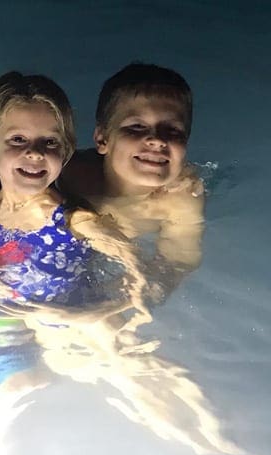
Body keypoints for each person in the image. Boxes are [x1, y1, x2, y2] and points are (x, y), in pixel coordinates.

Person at [0, 71, 150, 390]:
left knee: (150, 390)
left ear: (65, 152)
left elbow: (141, 271)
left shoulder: (74, 221)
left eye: (50, 142)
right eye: (18, 139)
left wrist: (98, 311)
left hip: (84, 321)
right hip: (36, 323)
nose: (35, 152)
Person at [60, 63, 204, 304]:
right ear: (102, 139)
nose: (157, 140)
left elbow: (178, 260)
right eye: (137, 126)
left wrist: (130, 297)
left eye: (172, 130)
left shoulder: (180, 198)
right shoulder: (71, 175)